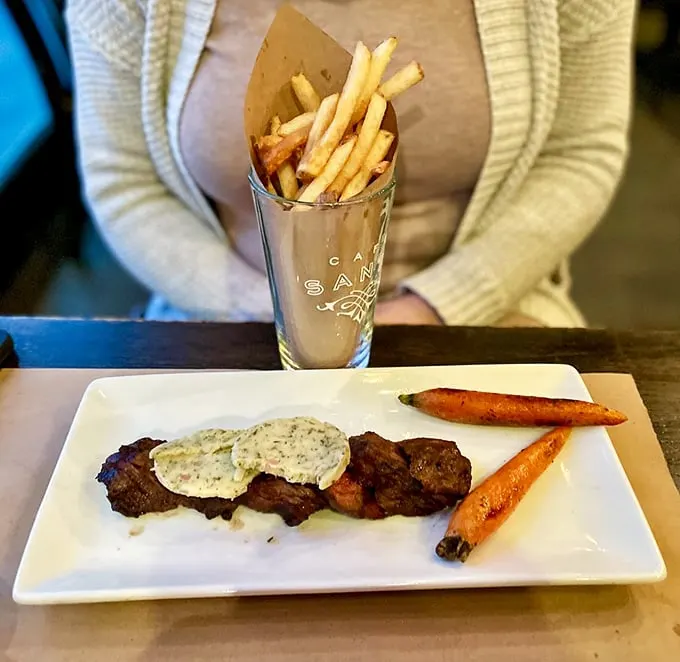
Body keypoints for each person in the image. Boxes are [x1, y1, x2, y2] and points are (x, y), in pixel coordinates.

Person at [65, 0, 636, 326]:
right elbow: (125, 182)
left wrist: (438, 306)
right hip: (224, 316)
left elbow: (578, 156)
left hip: (487, 312)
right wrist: (266, 310)